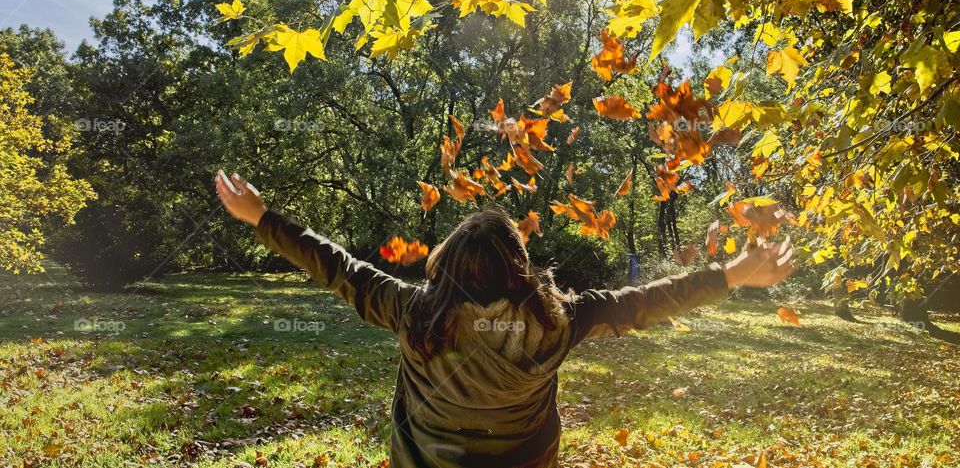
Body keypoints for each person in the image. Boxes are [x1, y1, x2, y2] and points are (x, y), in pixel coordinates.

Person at [215, 170, 795, 468]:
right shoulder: (560, 319)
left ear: (445, 266)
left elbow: (336, 266)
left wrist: (261, 216)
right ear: (517, 269)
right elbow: (645, 302)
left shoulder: (412, 312)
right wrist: (734, 274)